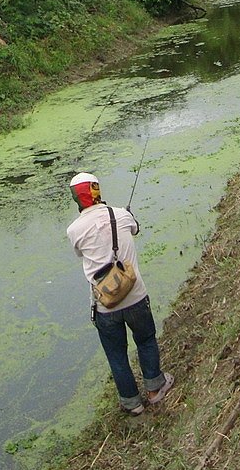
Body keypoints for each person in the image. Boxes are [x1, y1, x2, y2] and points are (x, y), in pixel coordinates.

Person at [66, 171, 174, 415]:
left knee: (116, 354)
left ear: (76, 198)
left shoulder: (74, 230)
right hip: (136, 296)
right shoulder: (121, 215)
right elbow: (135, 229)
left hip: (106, 306)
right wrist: (124, 216)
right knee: (145, 340)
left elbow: (81, 253)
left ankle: (131, 403)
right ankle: (155, 389)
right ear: (97, 190)